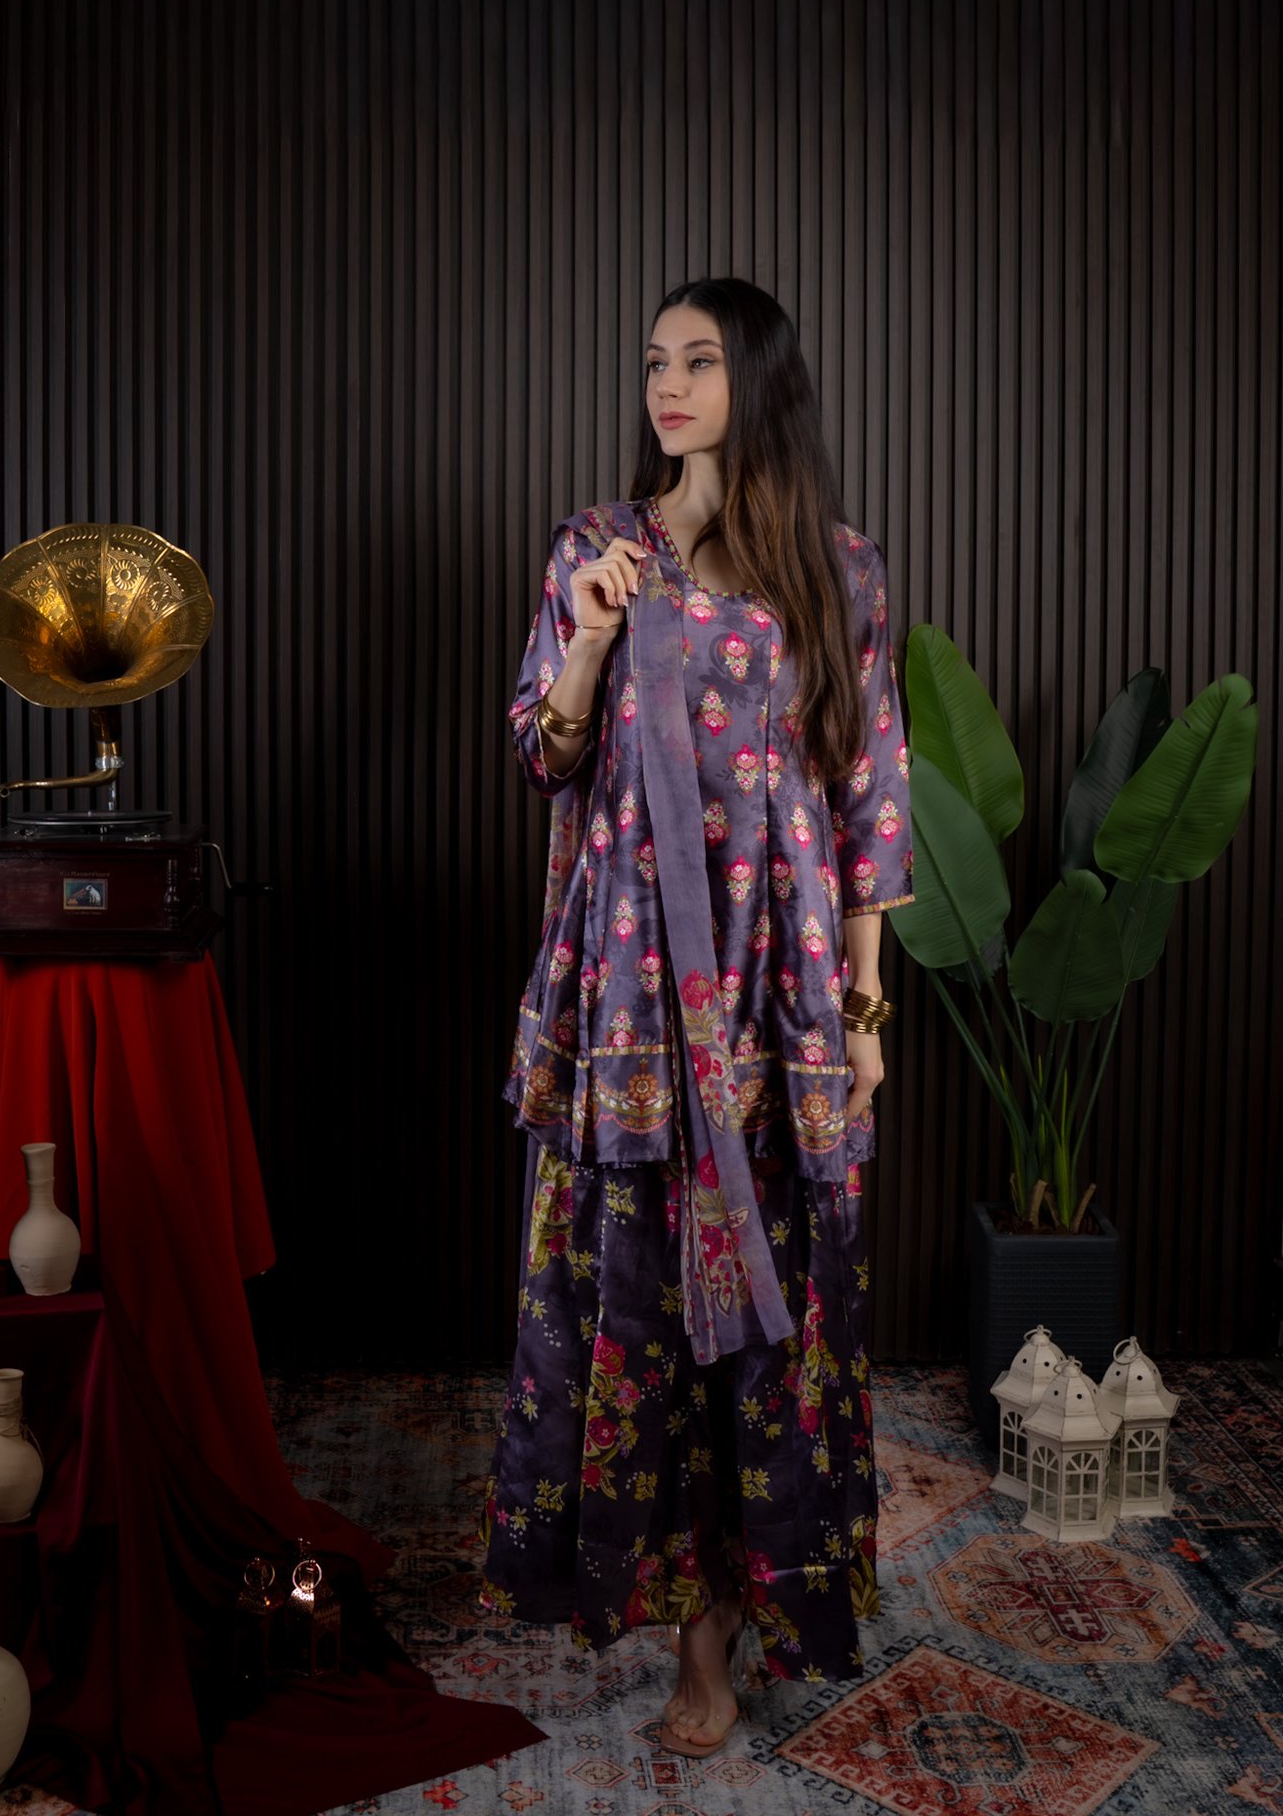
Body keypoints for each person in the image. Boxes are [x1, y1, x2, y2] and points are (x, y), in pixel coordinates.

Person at [479, 279, 913, 1756]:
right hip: (637, 987)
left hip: (781, 988)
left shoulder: (841, 570)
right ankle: (686, 1640)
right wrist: (591, 640)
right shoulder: (598, 549)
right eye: (656, 361)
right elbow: (545, 752)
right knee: (647, 1299)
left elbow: (867, 789)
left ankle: (748, 1607)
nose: (668, 384)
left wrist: (864, 1007)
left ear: (759, 379)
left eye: (700, 360)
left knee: (776, 1308)